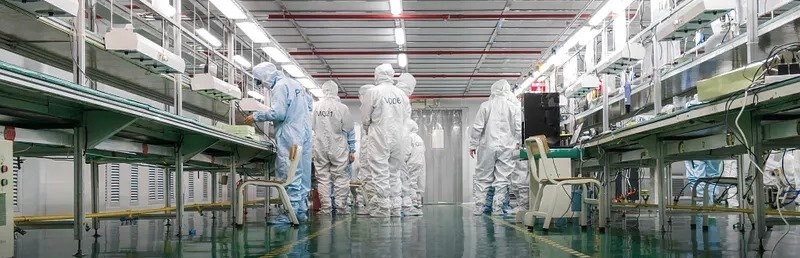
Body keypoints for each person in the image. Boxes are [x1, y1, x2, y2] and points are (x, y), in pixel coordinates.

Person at [245, 62, 313, 224]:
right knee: (302, 174)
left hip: (290, 134)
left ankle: (290, 213)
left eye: (260, 81)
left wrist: (255, 116)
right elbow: (310, 105)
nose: (262, 85)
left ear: (265, 77)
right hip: (304, 133)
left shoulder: (280, 86)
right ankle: (300, 211)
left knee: (290, 173)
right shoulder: (295, 84)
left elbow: (279, 113)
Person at [361, 63, 411, 217]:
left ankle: (383, 208)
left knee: (380, 171)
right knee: (394, 172)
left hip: (380, 134)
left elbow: (365, 116)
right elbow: (407, 116)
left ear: (377, 75)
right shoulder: (401, 94)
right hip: (400, 136)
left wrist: (367, 129)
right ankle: (395, 207)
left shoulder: (373, 92)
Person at [468, 79, 521, 216]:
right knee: (502, 179)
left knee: (482, 177)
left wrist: (473, 144)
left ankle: (479, 208)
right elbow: (519, 127)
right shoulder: (513, 107)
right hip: (507, 147)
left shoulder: (486, 105)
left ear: (493, 90)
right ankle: (497, 209)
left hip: (487, 146)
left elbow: (477, 127)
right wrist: (517, 142)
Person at [312, 80, 356, 214]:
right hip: (338, 146)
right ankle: (341, 207)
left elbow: (312, 126)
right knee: (340, 176)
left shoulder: (316, 106)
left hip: (320, 146)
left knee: (323, 177)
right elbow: (349, 127)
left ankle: (326, 208)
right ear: (336, 91)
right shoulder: (342, 108)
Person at [354, 84, 375, 215]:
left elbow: (366, 125)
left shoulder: (368, 107)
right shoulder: (376, 106)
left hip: (370, 145)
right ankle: (368, 203)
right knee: (368, 174)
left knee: (369, 175)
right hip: (371, 144)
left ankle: (371, 204)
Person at [404, 119, 426, 216]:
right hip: (420, 162)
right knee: (417, 182)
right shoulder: (419, 138)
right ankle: (418, 201)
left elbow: (406, 152)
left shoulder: (408, 137)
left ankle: (412, 203)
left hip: (412, 162)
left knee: (410, 182)